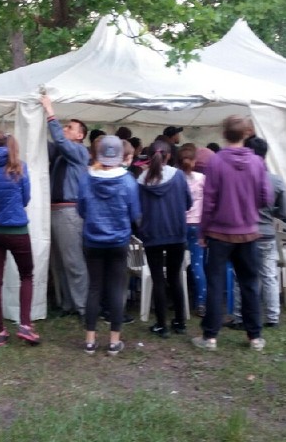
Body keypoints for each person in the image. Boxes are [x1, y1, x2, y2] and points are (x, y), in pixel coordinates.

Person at [193, 115, 273, 352]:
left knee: (215, 283)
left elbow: (209, 202)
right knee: (249, 283)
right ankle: (255, 337)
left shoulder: (216, 162)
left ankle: (210, 337)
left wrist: (203, 231)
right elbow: (266, 198)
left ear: (224, 134)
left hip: (219, 233)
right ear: (247, 134)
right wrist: (248, 205)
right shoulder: (258, 162)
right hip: (248, 233)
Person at [77, 136, 141, 356]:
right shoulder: (128, 181)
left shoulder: (86, 179)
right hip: (118, 240)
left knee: (94, 287)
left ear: (98, 154)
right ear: (120, 156)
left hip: (92, 239)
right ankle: (114, 341)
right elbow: (135, 213)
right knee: (116, 287)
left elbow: (81, 210)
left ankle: (90, 341)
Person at [0, 131, 39, 346]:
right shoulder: (18, 165)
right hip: (17, 229)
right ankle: (25, 326)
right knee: (26, 276)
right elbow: (25, 198)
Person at [225, 136, 286, 329]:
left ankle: (239, 317)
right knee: (269, 276)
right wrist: (269, 212)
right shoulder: (277, 181)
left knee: (240, 276)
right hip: (267, 234)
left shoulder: (240, 179)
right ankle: (273, 317)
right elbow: (284, 212)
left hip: (244, 233)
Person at [41, 95, 89, 319]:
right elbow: (48, 144)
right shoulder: (62, 154)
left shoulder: (79, 152)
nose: (65, 129)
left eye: (70, 127)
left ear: (80, 136)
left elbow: (59, 140)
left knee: (73, 261)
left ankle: (83, 307)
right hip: (56, 210)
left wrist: (50, 113)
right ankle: (68, 304)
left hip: (69, 211)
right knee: (59, 261)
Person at [138, 140, 192, 338]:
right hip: (176, 233)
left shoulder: (141, 180)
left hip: (152, 234)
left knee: (158, 279)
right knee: (175, 277)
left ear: (148, 157)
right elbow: (188, 203)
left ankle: (162, 325)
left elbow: (137, 209)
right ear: (169, 156)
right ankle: (179, 322)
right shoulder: (178, 176)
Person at [177, 144, 207, 317]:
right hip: (197, 225)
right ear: (195, 161)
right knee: (198, 264)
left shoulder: (175, 178)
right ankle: (201, 302)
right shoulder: (202, 179)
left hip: (179, 225)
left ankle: (178, 299)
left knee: (177, 265)